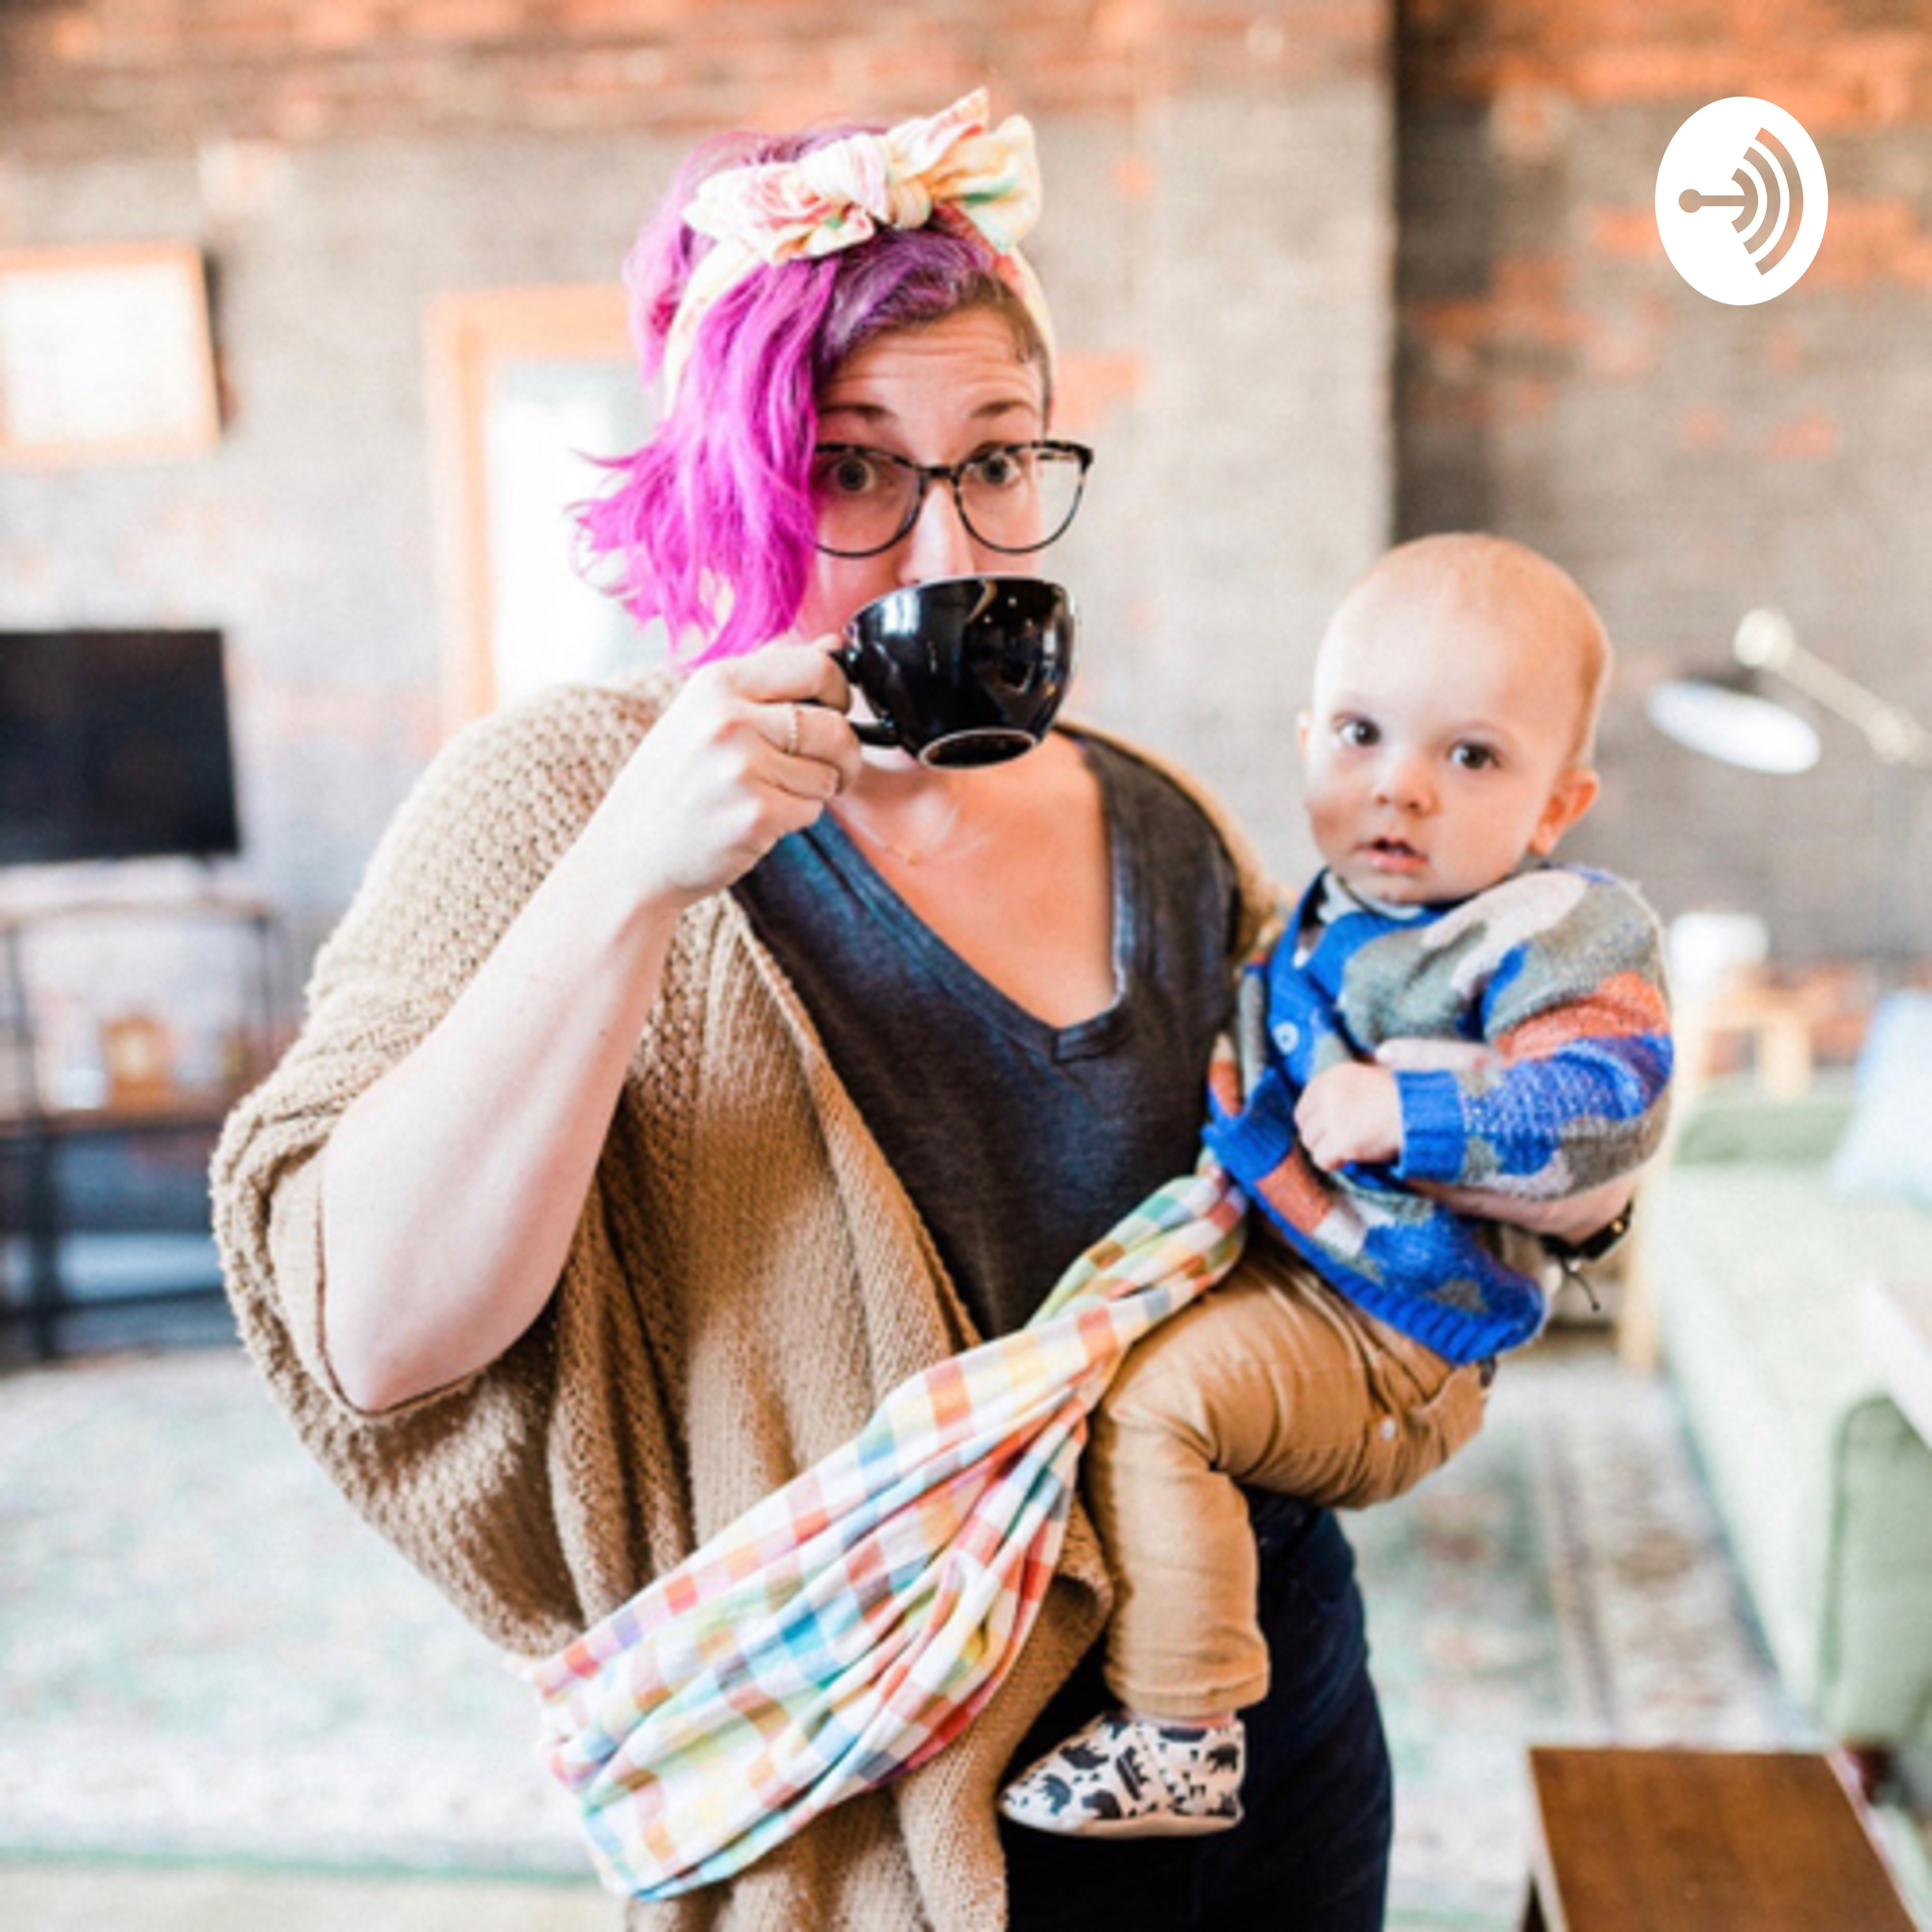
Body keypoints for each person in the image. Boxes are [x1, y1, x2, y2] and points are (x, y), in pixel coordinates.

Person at [211, 93, 1629, 1931]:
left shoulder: (1167, 827)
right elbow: (376, 1334)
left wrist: (1559, 1160)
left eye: (1000, 460)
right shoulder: (559, 799)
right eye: (852, 469)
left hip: (1259, 1721)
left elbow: (1345, 1199)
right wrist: (634, 873)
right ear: (731, 477)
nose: (953, 553)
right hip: (886, 1800)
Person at [998, 533, 1672, 1842]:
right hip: (1315, 1288)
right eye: (1362, 735)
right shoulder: (1317, 910)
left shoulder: (1561, 927)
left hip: (1402, 1337)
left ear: (1556, 806)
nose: (1400, 787)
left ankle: (1184, 1732)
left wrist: (1409, 1110)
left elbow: (1611, 1105)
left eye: (1470, 757)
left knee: (1160, 1408)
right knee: (1103, 1376)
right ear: (1309, 742)